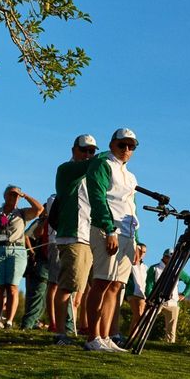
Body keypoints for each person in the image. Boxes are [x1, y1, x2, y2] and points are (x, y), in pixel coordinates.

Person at [82, 128, 140, 353]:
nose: (126, 150)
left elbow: (131, 206)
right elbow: (97, 197)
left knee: (116, 286)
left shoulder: (130, 175)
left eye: (131, 146)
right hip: (107, 229)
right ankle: (92, 336)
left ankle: (106, 336)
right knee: (102, 282)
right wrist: (109, 229)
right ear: (112, 144)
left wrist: (137, 239)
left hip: (127, 232)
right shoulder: (102, 163)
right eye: (122, 145)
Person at [47, 134, 99, 345]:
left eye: (91, 151)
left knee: (90, 288)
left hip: (91, 236)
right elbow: (97, 164)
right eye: (84, 150)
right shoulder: (66, 169)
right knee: (68, 286)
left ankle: (90, 332)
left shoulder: (90, 177)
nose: (88, 155)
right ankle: (61, 333)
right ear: (73, 150)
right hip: (73, 237)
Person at [0, 186, 45, 328]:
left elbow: (39, 209)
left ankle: (8, 321)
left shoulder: (22, 213)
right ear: (5, 196)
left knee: (12, 287)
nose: (14, 198)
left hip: (17, 250)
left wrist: (25, 195)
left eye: (16, 196)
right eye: (11, 194)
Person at [145, 249, 190, 343]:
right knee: (147, 321)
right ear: (165, 257)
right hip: (156, 301)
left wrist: (184, 294)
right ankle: (141, 339)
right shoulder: (154, 268)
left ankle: (169, 345)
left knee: (171, 328)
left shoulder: (178, 270)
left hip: (173, 302)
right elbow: (149, 285)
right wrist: (149, 298)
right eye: (170, 258)